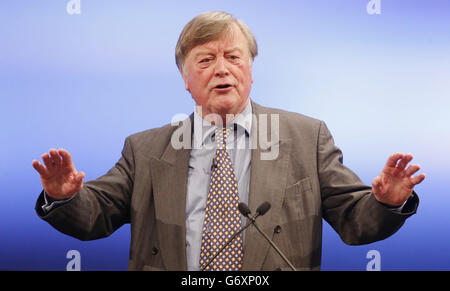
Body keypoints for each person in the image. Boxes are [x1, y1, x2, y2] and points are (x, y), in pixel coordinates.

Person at [32, 11, 425, 271]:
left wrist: (387, 203)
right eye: (205, 60)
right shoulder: (145, 149)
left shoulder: (307, 138)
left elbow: (355, 222)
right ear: (186, 79)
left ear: (251, 70)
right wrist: (64, 197)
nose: (222, 69)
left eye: (233, 58)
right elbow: (95, 215)